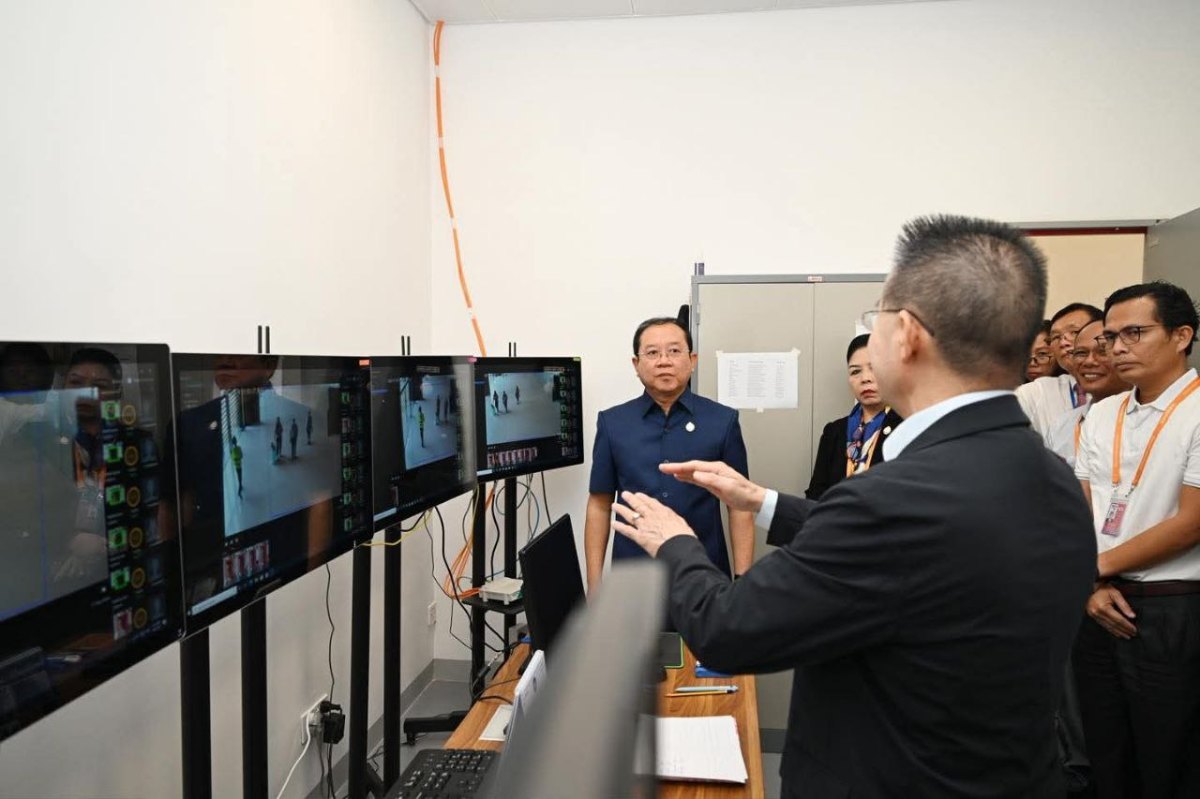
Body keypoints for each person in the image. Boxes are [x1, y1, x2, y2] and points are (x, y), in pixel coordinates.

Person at [612, 216, 1095, 798]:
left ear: (907, 335)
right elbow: (911, 554)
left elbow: (727, 629)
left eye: (876, 320)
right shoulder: (1052, 476)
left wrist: (674, 541)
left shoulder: (891, 501)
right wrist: (763, 502)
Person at [1073, 280, 1200, 799]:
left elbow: (1192, 522)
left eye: (1135, 333)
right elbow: (1081, 508)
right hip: (1097, 599)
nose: (1117, 348)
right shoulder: (1103, 413)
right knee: (1107, 753)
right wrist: (1090, 584)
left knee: (1170, 758)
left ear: (1181, 336)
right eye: (1110, 337)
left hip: (1172, 605)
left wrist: (1091, 570)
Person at [585, 316, 754, 593]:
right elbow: (599, 505)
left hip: (704, 576)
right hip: (633, 580)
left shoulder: (722, 421)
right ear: (636, 364)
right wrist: (594, 587)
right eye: (652, 353)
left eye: (674, 351)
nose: (664, 361)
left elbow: (739, 506)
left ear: (692, 360)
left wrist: (743, 583)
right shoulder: (612, 423)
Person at [801, 334, 903, 504]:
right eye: (855, 371)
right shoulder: (834, 431)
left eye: (874, 368)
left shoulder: (907, 426)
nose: (865, 379)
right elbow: (815, 494)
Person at [1045, 319, 1130, 467]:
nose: (1089, 361)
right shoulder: (1060, 427)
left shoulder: (1151, 418)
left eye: (1102, 351)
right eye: (1081, 353)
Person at [1017, 303, 1102, 438]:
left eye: (1074, 332)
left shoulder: (1130, 385)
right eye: (1056, 337)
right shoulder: (1036, 392)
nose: (1063, 343)